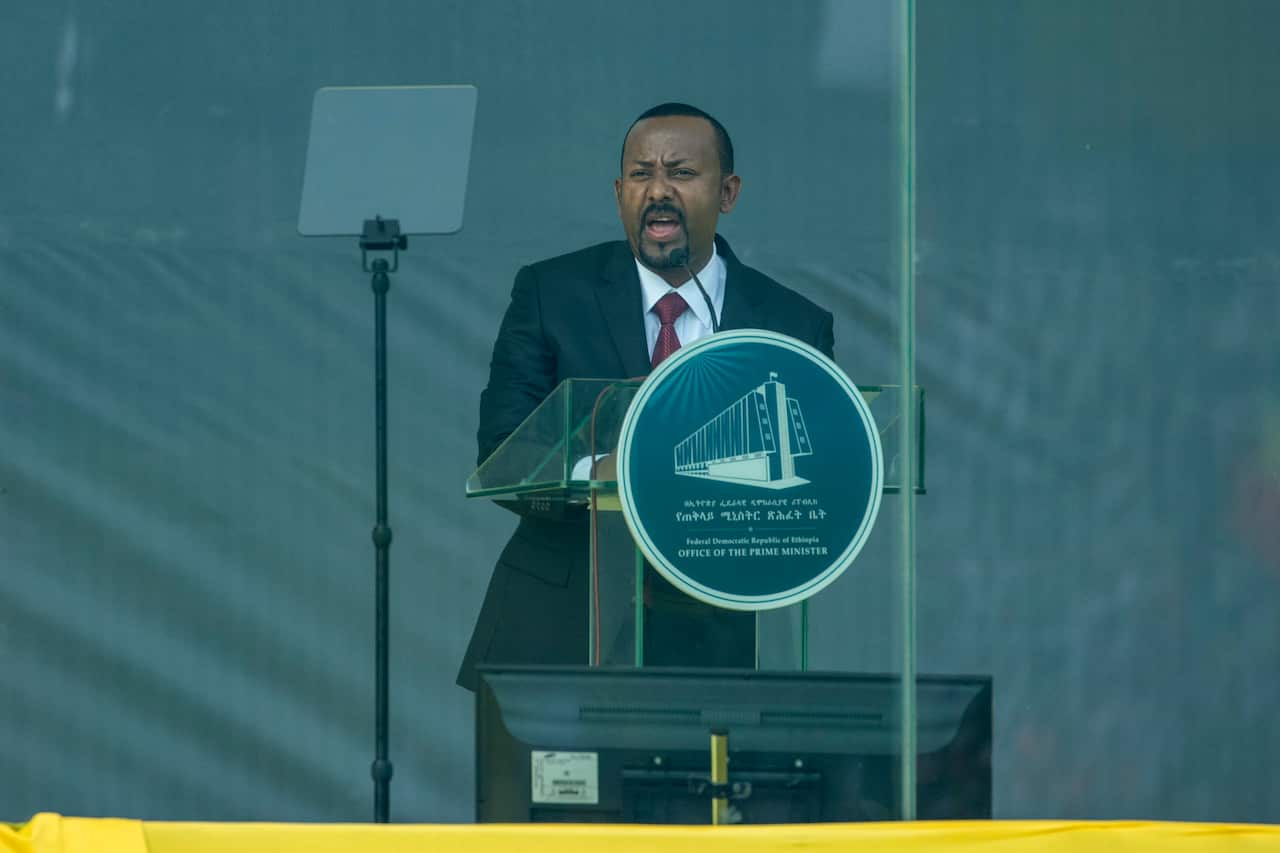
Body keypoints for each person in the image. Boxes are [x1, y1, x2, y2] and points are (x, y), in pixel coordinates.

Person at [457, 103, 834, 691]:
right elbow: (504, 449)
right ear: (619, 192)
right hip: (559, 628)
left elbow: (816, 480)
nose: (658, 190)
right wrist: (604, 477)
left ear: (728, 192)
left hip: (722, 635)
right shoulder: (550, 294)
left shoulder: (792, 324)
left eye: (682, 173)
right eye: (641, 174)